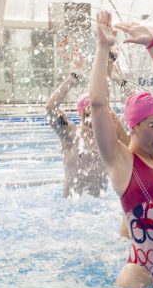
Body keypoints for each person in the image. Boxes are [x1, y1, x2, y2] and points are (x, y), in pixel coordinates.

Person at [89, 10, 153, 288]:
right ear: (133, 127)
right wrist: (102, 48)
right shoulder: (122, 161)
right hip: (141, 279)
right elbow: (98, 104)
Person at [45, 43, 126, 198]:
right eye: (90, 109)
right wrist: (73, 76)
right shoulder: (70, 134)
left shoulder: (109, 138)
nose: (93, 114)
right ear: (81, 111)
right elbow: (50, 108)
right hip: (70, 211)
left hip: (98, 212)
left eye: (97, 110)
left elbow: (136, 117)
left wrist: (121, 80)